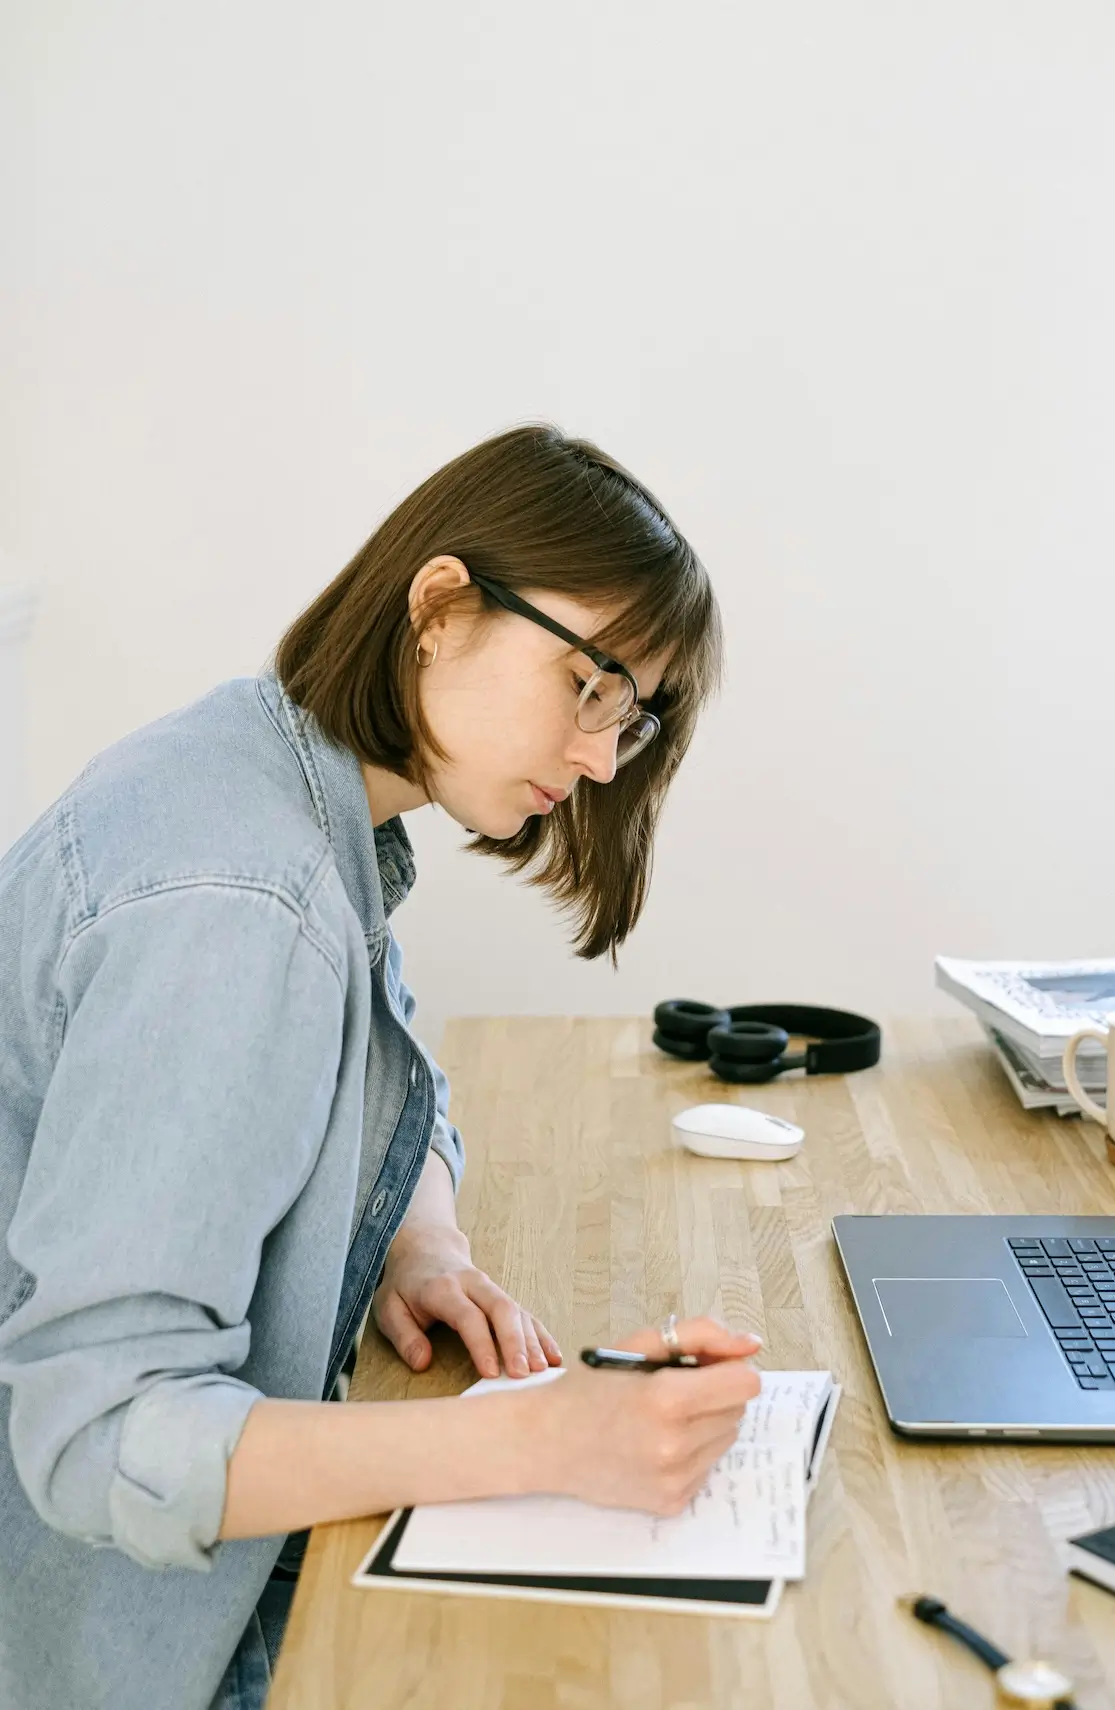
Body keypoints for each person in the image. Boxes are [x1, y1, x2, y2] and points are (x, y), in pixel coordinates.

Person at [0, 424, 762, 1710]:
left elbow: (386, 1051)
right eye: (588, 687)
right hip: (135, 1642)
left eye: (625, 718)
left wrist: (426, 1240)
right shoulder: (242, 902)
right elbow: (95, 1438)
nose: (595, 761)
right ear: (442, 607)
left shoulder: (272, 775)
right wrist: (521, 1437)